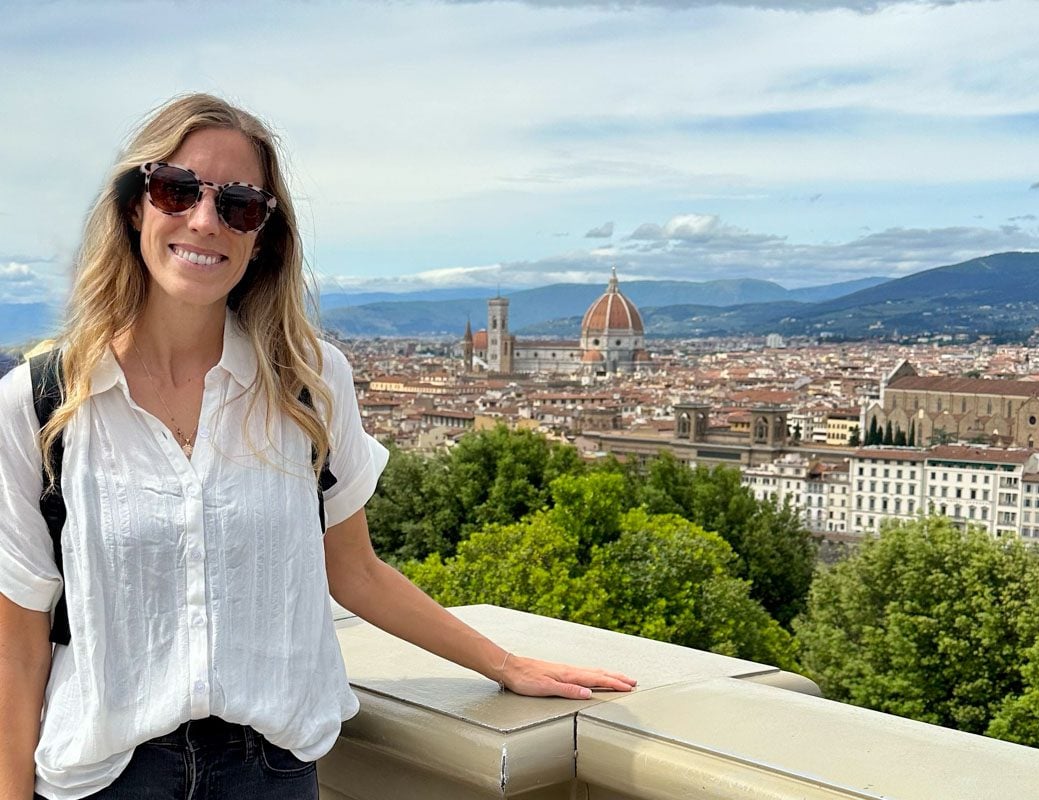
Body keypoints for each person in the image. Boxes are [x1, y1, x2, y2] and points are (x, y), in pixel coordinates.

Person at [0, 93, 636, 800]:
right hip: (104, 778)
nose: (204, 220)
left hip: (267, 772)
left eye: (238, 204)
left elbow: (355, 571)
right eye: (175, 190)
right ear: (133, 206)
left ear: (264, 234)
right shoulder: (37, 404)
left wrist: (502, 663)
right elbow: (19, 634)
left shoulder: (308, 384)